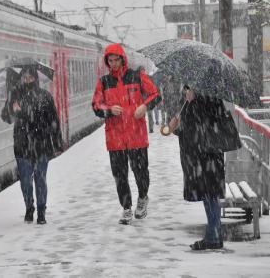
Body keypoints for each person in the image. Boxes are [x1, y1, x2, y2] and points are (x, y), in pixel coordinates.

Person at [92, 43, 161, 224]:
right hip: (115, 138)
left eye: (116, 60)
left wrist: (144, 106)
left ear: (123, 59)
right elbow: (96, 105)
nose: (113, 63)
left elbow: (155, 95)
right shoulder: (104, 82)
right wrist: (107, 109)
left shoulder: (137, 76)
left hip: (136, 136)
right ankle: (126, 208)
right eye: (110, 60)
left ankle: (143, 198)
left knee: (141, 172)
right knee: (120, 175)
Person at [169, 85, 241, 250]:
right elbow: (189, 127)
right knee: (208, 194)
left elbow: (209, 122)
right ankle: (212, 234)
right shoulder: (191, 93)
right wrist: (176, 125)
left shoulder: (210, 95)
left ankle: (214, 236)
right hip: (198, 153)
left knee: (210, 193)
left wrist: (196, 100)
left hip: (208, 153)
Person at [1, 66, 63, 224]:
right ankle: (29, 206)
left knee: (40, 180)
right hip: (22, 145)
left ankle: (41, 211)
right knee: (25, 181)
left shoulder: (45, 96)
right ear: (21, 79)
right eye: (25, 78)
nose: (27, 80)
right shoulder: (15, 96)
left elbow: (54, 120)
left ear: (36, 79)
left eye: (30, 78)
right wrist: (12, 109)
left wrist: (57, 143)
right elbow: (6, 118)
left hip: (41, 144)